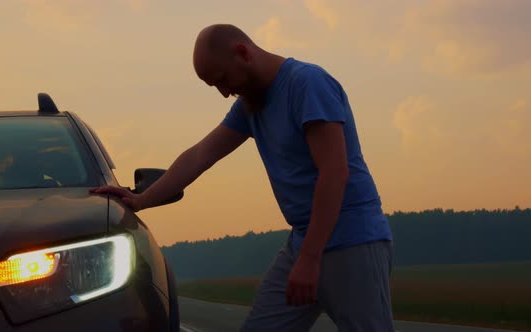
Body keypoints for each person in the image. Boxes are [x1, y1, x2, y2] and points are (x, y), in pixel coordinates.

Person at [90, 24, 395, 332]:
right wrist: (140, 200)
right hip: (304, 240)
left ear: (243, 53)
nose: (224, 92)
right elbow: (200, 156)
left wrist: (310, 258)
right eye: (215, 86)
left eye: (223, 80)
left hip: (353, 240)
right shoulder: (251, 105)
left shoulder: (307, 84)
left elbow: (334, 172)